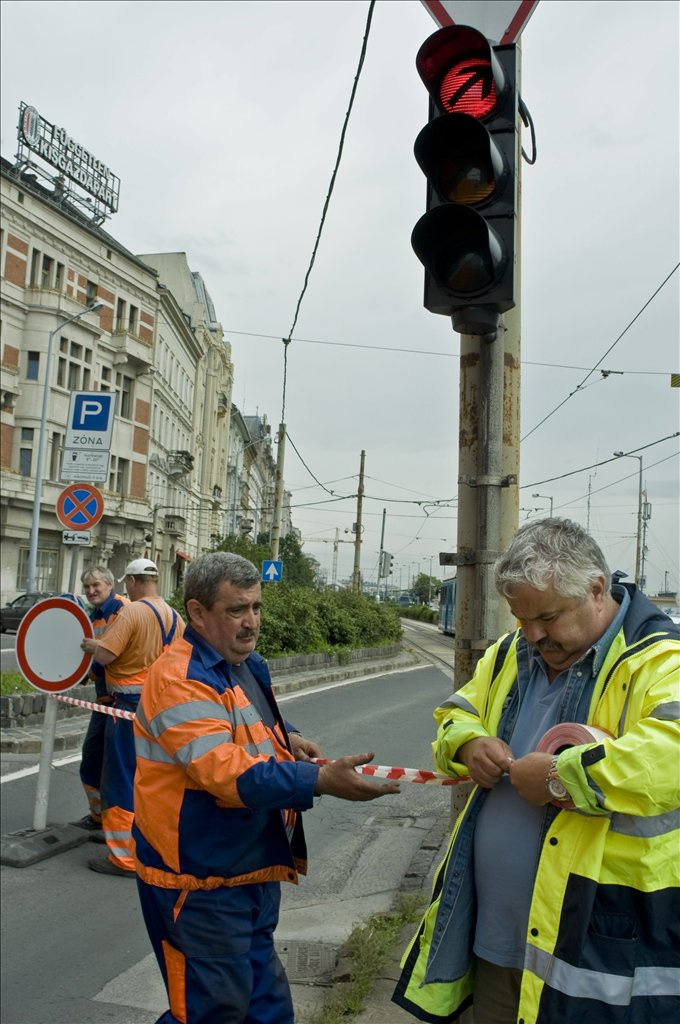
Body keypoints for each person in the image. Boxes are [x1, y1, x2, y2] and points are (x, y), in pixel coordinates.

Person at [393, 518, 680, 1024]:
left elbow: (667, 756)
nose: (532, 634)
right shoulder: (511, 653)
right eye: (520, 618)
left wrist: (556, 778)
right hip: (497, 940)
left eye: (547, 617)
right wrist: (467, 743)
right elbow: (454, 713)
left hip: (598, 946)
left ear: (596, 590)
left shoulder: (660, 660)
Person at [132, 551, 401, 1024]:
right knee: (211, 1009)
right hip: (198, 880)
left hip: (249, 868)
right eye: (237, 610)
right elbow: (226, 772)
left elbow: (247, 720)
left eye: (256, 607)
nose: (251, 622)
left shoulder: (244, 663)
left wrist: (289, 737)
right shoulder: (180, 679)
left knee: (265, 1006)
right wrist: (319, 779)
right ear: (197, 612)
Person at [81, 557, 184, 877]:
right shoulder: (174, 615)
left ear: (132, 581)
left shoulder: (132, 612)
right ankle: (154, 846)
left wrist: (90, 645)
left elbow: (107, 654)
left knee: (120, 779)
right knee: (150, 778)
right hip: (161, 707)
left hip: (126, 708)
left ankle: (123, 858)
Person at [71, 566, 128, 841]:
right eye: (87, 587)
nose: (92, 591)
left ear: (109, 584)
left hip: (125, 702)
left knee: (118, 767)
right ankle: (99, 817)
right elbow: (93, 658)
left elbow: (115, 653)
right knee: (92, 759)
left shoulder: (123, 611)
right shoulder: (94, 616)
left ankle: (120, 829)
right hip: (105, 700)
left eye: (96, 585)